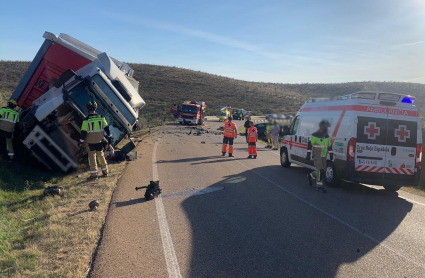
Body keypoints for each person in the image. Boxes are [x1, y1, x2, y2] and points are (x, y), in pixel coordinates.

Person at [79, 101, 113, 180]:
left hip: (90, 142)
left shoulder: (86, 119)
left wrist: (81, 142)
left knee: (92, 157)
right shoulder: (101, 117)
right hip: (100, 140)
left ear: (88, 108)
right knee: (101, 155)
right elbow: (107, 128)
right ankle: (105, 172)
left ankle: (94, 175)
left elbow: (83, 132)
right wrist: (109, 136)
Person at [306, 120, 333, 193]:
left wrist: (331, 154)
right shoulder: (315, 135)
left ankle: (310, 176)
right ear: (321, 127)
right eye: (325, 126)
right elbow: (310, 144)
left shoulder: (326, 136)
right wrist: (308, 154)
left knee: (323, 171)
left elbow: (329, 145)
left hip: (324, 155)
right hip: (317, 154)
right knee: (320, 171)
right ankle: (319, 186)